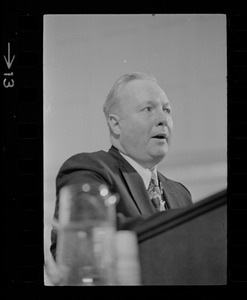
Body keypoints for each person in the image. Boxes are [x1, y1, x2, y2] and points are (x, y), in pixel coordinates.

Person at [50, 72, 193, 260]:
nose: (163, 119)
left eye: (167, 110)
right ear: (116, 124)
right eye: (148, 109)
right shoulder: (89, 169)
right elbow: (88, 238)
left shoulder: (181, 194)